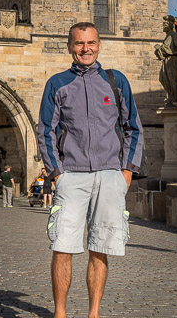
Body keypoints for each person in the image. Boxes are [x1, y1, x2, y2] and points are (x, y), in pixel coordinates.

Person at [38, 21, 143, 318]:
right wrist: (56, 172)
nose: (86, 48)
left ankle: (93, 313)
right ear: (70, 46)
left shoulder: (116, 81)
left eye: (91, 43)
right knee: (63, 246)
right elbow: (46, 130)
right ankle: (60, 313)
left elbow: (132, 127)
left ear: (99, 45)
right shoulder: (57, 83)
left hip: (110, 174)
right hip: (71, 174)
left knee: (100, 246)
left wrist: (127, 172)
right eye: (79, 43)